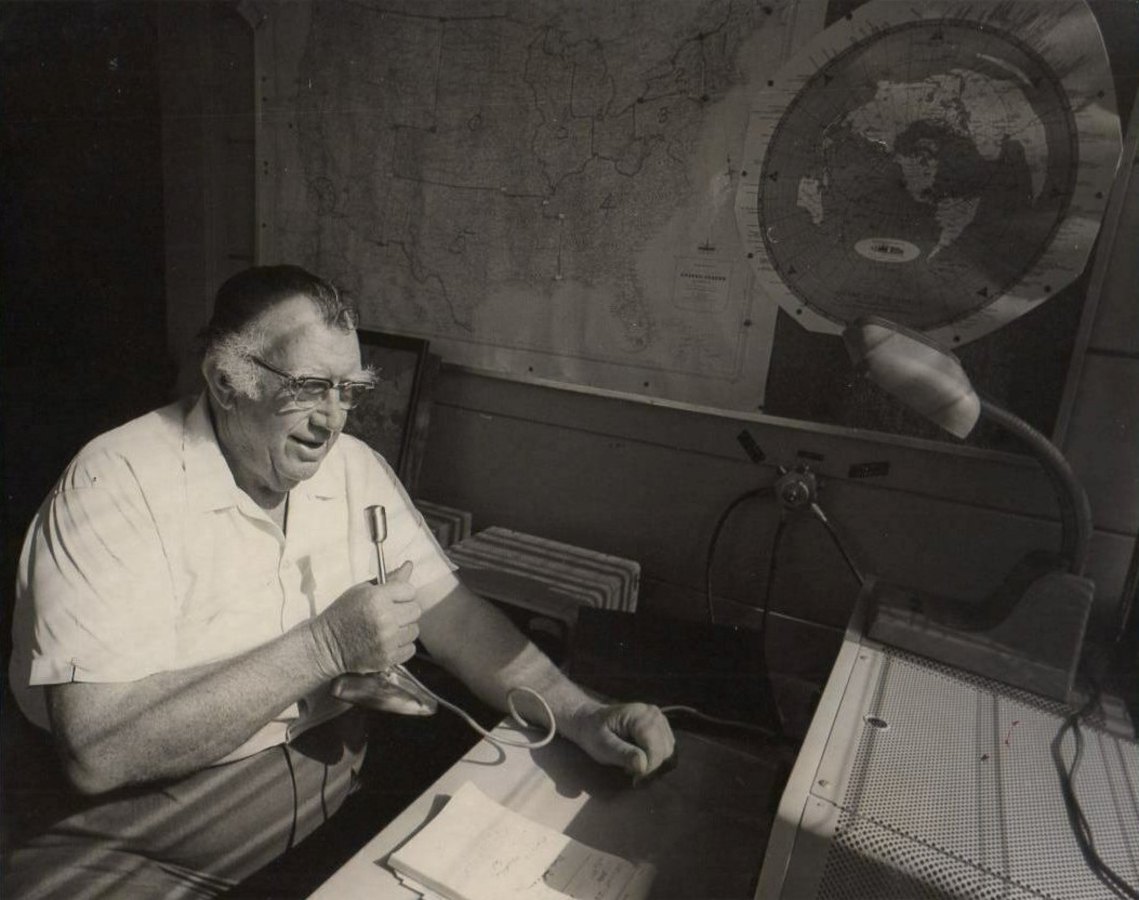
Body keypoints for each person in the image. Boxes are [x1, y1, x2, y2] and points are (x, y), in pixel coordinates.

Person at [2, 265, 675, 898]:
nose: (332, 421)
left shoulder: (353, 470)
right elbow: (99, 751)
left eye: (348, 391)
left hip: (315, 815)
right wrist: (324, 650)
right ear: (224, 380)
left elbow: (457, 620)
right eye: (306, 388)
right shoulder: (116, 485)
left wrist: (582, 714)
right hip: (138, 844)